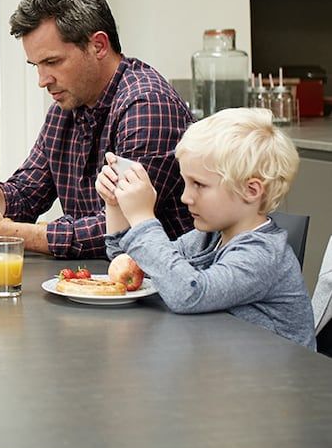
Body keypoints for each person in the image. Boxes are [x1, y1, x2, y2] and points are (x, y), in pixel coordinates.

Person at [0, 0, 194, 259]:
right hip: (94, 284)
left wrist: (6, 231)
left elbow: (120, 228)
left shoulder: (148, 106)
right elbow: (26, 194)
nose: (42, 80)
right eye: (36, 65)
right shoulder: (66, 108)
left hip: (158, 289)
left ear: (98, 45)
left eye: (52, 62)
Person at [97, 108, 315, 349]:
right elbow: (134, 266)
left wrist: (142, 217)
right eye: (186, 182)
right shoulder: (209, 237)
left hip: (276, 382)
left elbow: (188, 294)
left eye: (199, 184)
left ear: (251, 191)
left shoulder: (263, 254)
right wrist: (116, 205)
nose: (185, 197)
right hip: (223, 370)